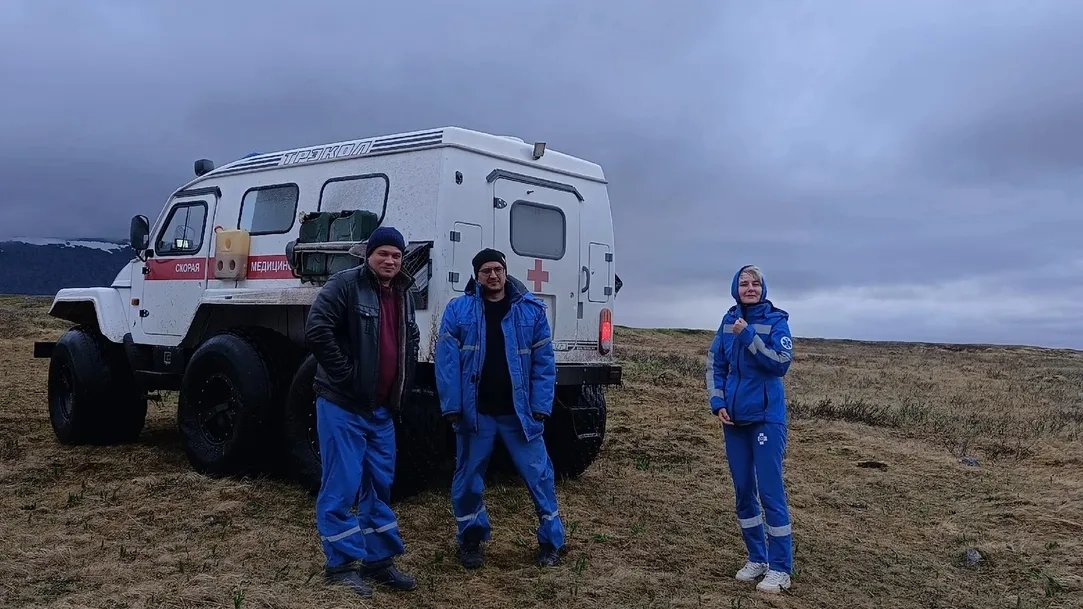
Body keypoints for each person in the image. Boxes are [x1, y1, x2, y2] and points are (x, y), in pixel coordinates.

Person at [304, 225, 420, 598]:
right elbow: (318, 329)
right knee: (342, 484)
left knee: (379, 485)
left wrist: (403, 382)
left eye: (396, 255)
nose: (389, 260)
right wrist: (349, 376)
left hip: (382, 411)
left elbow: (410, 337)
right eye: (383, 253)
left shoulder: (404, 292)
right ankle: (340, 565)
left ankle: (378, 559)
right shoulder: (345, 285)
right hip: (344, 405)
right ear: (368, 254)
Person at [434, 248, 564, 569]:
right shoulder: (458, 310)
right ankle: (471, 540)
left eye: (497, 269)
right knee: (468, 479)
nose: (493, 275)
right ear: (476, 275)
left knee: (539, 476)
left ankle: (551, 541)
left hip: (520, 415)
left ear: (505, 271)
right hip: (475, 415)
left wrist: (540, 406)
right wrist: (452, 407)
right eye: (486, 271)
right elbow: (447, 364)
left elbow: (544, 364)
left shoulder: (531, 311)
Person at [706, 264, 795, 594]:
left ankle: (781, 567)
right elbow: (716, 364)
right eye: (744, 283)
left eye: (755, 283)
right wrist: (718, 402)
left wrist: (749, 336)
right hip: (734, 421)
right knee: (744, 492)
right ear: (735, 288)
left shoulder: (776, 321)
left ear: (763, 288)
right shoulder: (727, 321)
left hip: (766, 419)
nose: (750, 287)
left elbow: (780, 362)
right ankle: (757, 557)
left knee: (770, 492)